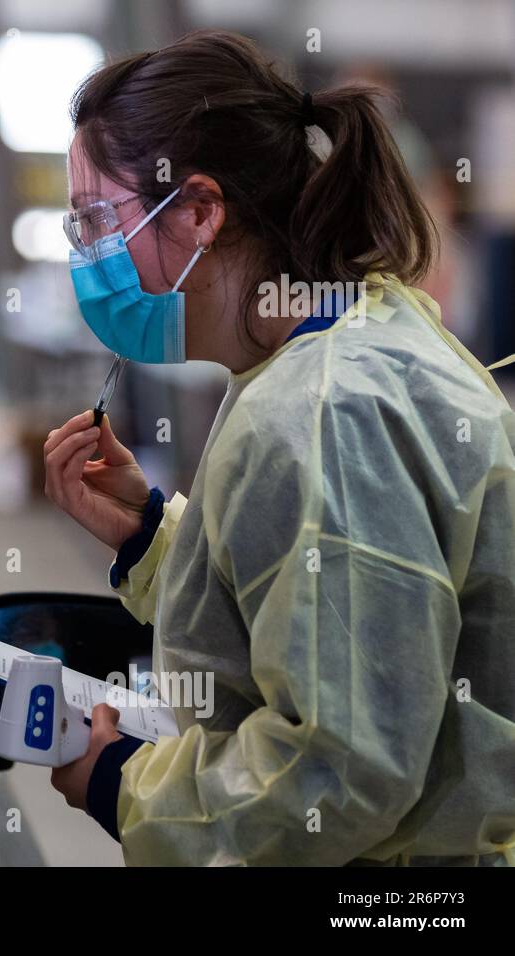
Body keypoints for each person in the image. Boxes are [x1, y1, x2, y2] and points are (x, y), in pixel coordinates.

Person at [43, 30, 515, 865]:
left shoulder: (320, 414)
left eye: (95, 221)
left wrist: (123, 783)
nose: (86, 257)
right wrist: (154, 538)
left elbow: (342, 767)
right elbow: (340, 600)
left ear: (197, 210)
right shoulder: (340, 341)